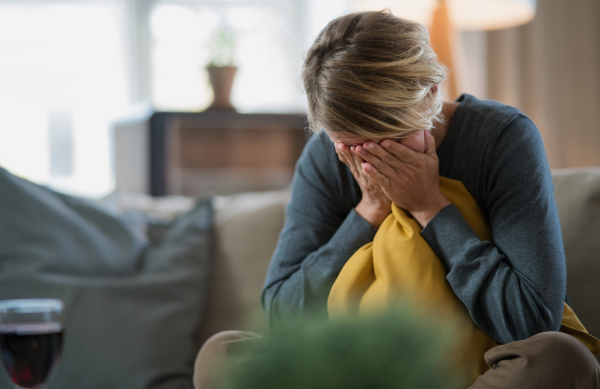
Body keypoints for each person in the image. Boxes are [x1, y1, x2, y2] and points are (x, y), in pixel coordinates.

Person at [195, 10, 600, 389]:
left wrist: (430, 206)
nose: (374, 157)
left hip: (477, 371)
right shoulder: (324, 156)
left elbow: (531, 320)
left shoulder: (501, 138)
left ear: (432, 94)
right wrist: (368, 211)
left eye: (392, 138)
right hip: (354, 370)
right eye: (353, 145)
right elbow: (282, 317)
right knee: (222, 355)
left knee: (560, 357)